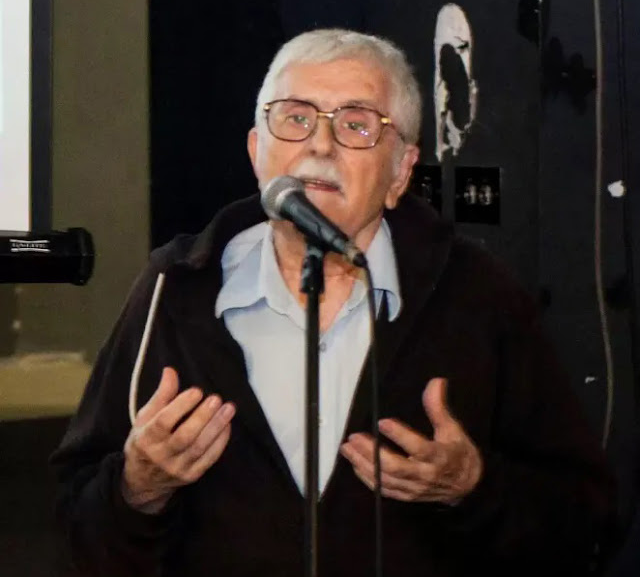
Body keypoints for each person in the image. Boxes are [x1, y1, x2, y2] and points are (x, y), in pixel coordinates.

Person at [51, 29, 615, 577]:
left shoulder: (477, 297)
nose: (320, 145)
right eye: (296, 118)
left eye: (356, 125)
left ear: (400, 173)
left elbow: (583, 525)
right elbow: (76, 531)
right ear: (256, 150)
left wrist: (472, 488)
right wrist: (137, 488)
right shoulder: (174, 290)